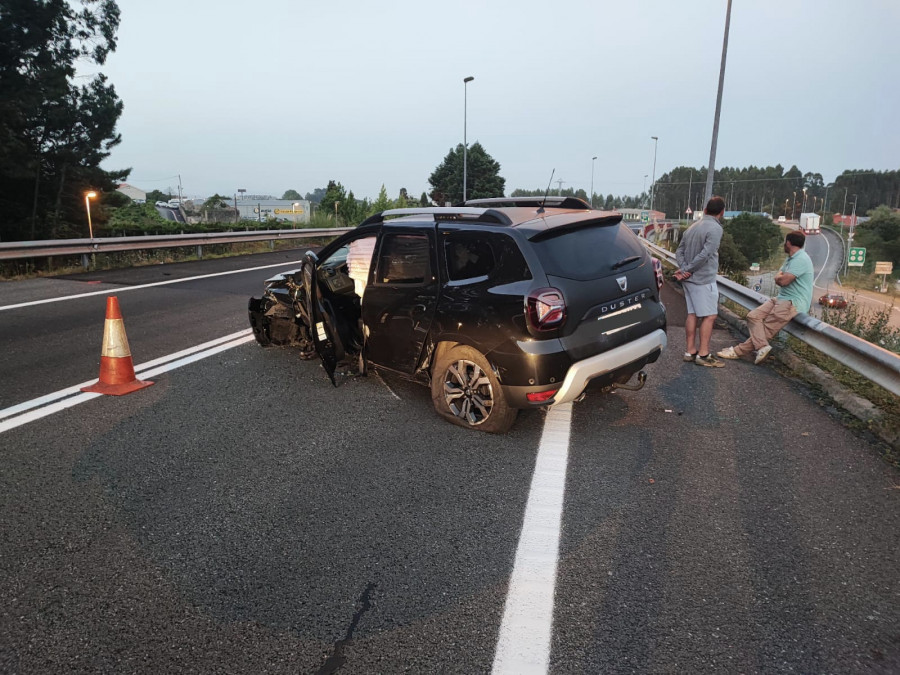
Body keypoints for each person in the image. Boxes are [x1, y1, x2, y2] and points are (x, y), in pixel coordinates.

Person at [717, 230, 814, 364]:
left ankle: (738, 351)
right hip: (781, 297)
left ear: (789, 243)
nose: (784, 245)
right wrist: (779, 277)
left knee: (766, 329)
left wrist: (779, 277)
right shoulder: (791, 258)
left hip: (792, 302)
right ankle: (762, 347)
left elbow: (783, 281)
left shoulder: (801, 259)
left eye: (785, 243)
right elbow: (778, 276)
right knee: (753, 316)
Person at [675, 196, 725, 367]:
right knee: (710, 316)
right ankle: (703, 354)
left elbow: (679, 250)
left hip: (689, 280)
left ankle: (690, 351)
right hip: (703, 279)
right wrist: (688, 270)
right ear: (722, 212)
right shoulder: (715, 229)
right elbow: (706, 254)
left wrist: (684, 269)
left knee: (692, 314)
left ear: (704, 210)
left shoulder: (692, 227)